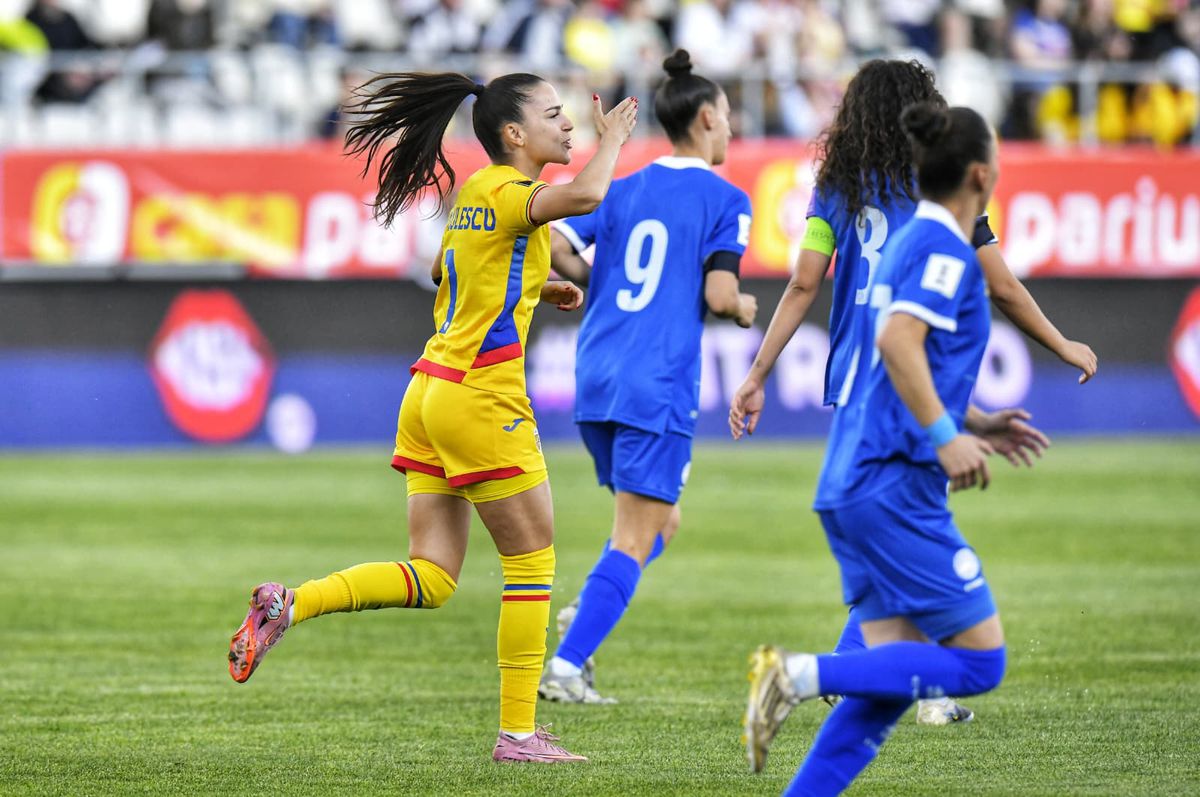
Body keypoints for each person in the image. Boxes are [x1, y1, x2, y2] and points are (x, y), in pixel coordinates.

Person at [226, 69, 639, 764]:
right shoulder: (511, 191)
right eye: (553, 115)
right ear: (515, 134)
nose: (568, 123)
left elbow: (452, 275)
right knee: (532, 561)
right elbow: (589, 194)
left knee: (435, 574)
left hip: (428, 391)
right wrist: (615, 138)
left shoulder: (476, 194)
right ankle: (518, 734)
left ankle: (290, 603)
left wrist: (539, 288)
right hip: (480, 395)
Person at [728, 58, 1096, 726]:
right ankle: (874, 677)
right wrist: (1061, 341)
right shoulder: (940, 194)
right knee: (911, 526)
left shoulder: (836, 185)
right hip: (911, 374)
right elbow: (1002, 285)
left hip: (853, 379)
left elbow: (805, 283)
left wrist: (757, 374)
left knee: (890, 533)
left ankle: (883, 675)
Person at [536, 49, 758, 704]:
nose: (731, 126)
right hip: (655, 382)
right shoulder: (726, 199)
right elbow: (721, 295)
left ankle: (588, 608)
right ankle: (567, 666)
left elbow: (556, 244)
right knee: (637, 537)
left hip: (597, 373)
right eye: (728, 116)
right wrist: (743, 308)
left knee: (662, 523)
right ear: (708, 118)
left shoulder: (623, 186)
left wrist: (596, 280)